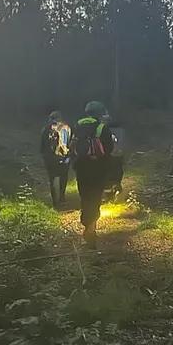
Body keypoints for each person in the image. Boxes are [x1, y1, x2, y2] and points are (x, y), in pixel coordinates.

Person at [72, 101, 114, 248]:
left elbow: (72, 147)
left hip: (81, 168)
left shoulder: (77, 126)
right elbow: (109, 149)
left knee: (85, 197)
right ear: (98, 113)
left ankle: (87, 225)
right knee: (95, 198)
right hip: (98, 169)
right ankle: (91, 229)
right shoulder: (102, 128)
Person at [40, 111, 72, 208]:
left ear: (51, 118)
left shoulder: (46, 129)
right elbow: (70, 142)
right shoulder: (67, 128)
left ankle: (54, 202)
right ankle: (62, 197)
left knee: (52, 179)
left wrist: (45, 156)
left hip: (50, 158)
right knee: (63, 177)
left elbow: (42, 146)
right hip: (64, 157)